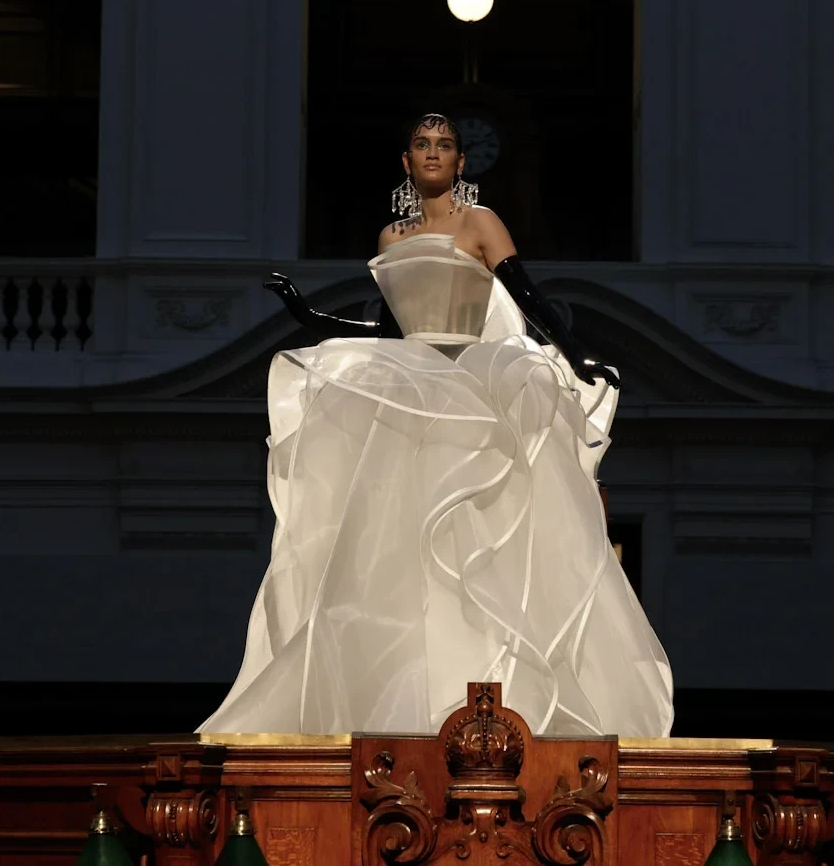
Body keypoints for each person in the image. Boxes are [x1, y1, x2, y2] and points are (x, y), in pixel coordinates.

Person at [197, 113, 674, 737]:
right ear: (404, 161)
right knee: (394, 538)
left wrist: (572, 349)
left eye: (444, 145)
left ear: (460, 163)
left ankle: (504, 692)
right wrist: (308, 314)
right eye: (422, 144)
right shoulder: (393, 239)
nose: (433, 152)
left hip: (474, 383)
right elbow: (394, 330)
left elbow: (523, 292)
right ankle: (407, 701)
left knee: (478, 530)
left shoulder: (481, 224)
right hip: (413, 386)